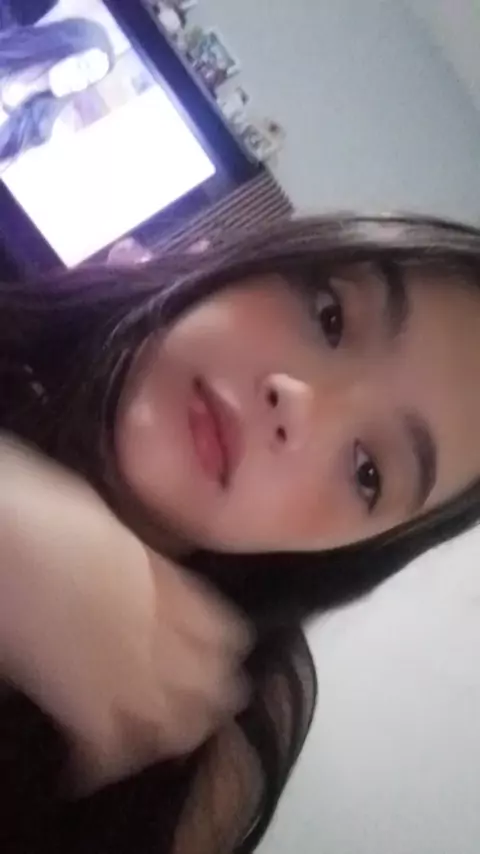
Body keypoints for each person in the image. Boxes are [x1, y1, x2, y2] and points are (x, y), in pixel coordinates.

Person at [2, 212, 480, 853]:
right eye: (330, 317)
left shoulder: (211, 739)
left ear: (349, 553)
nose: (298, 403)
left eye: (368, 471)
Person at [0, 17, 115, 162]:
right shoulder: (6, 45)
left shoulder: (37, 131)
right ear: (65, 46)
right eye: (82, 67)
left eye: (88, 82)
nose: (79, 85)